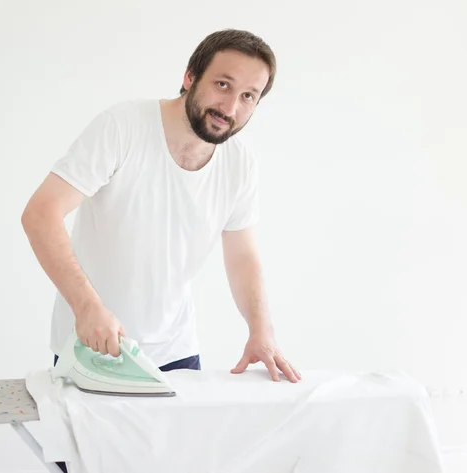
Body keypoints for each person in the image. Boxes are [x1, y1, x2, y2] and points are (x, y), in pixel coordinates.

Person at [22, 27, 302, 384]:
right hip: (94, 345)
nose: (230, 107)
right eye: (222, 85)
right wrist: (87, 307)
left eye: (248, 95)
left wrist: (261, 330)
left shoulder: (240, 160)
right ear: (189, 77)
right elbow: (41, 214)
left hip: (177, 349)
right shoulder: (123, 127)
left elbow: (242, 255)